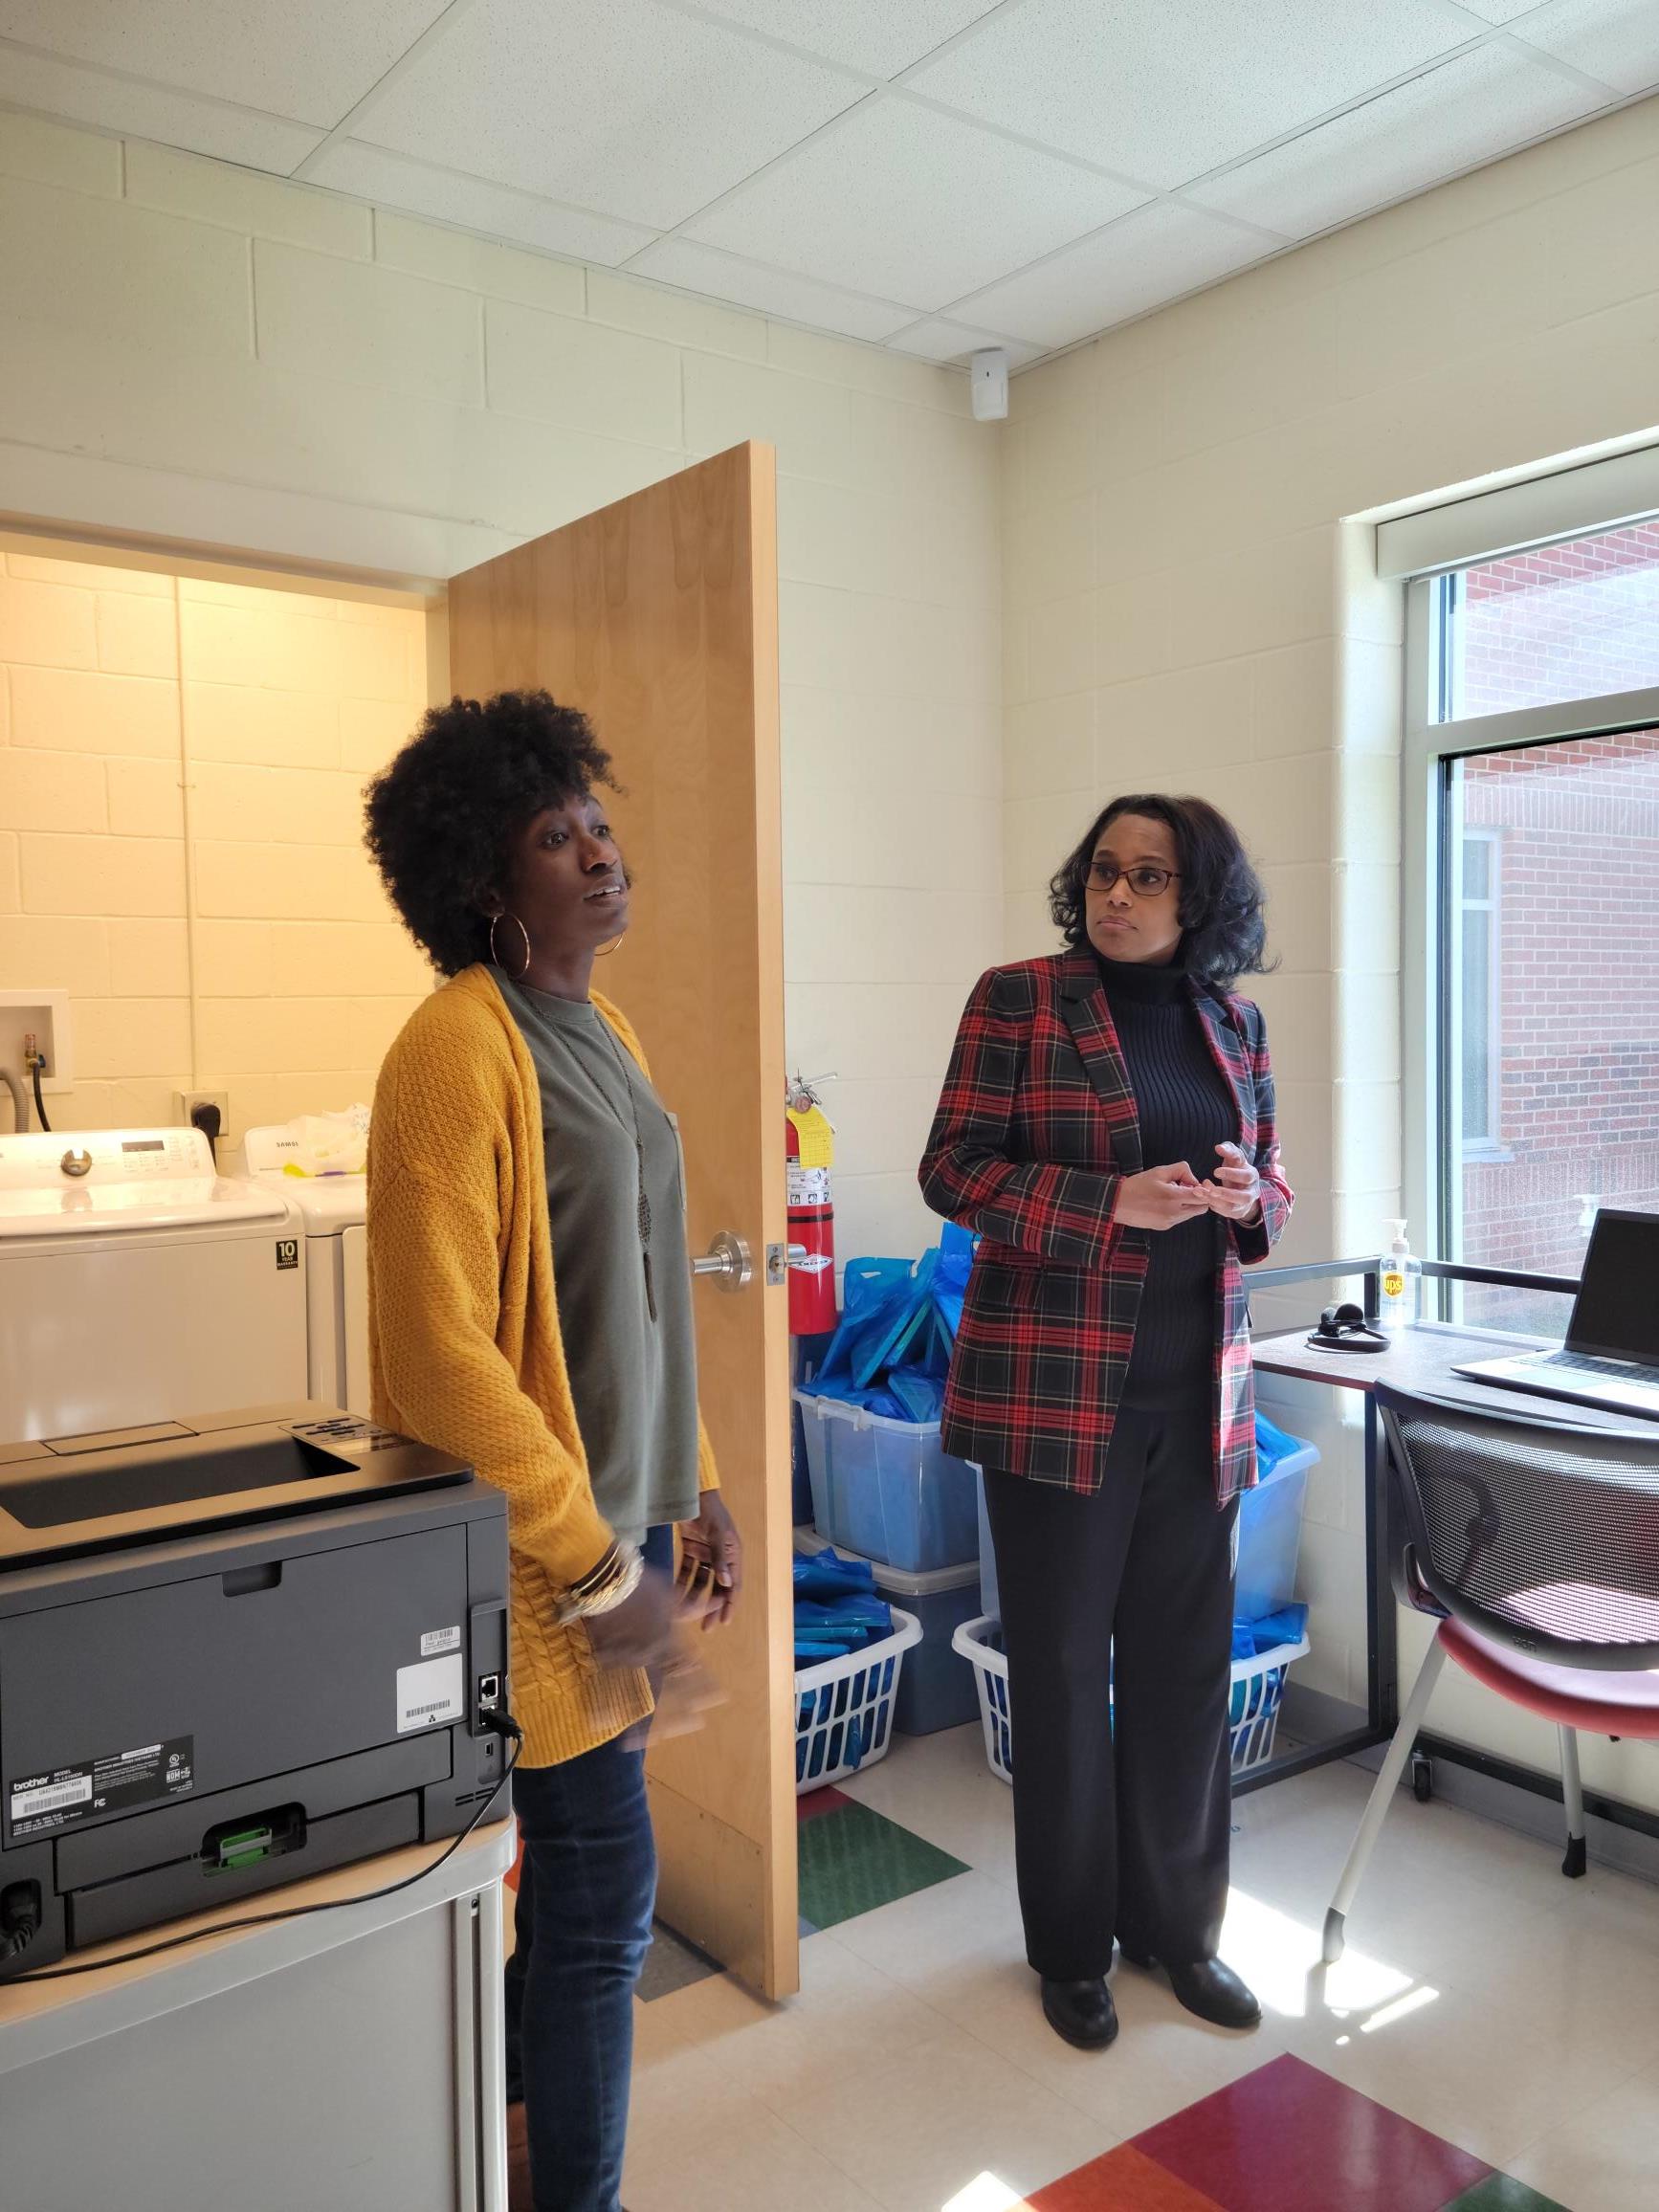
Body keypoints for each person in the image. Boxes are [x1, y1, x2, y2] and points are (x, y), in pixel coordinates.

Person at [364, 690, 741, 2212]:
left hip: (618, 1527)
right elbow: (442, 1360)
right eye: (551, 835)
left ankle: (509, 2149)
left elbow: (643, 1283)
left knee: (575, 1887)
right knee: (600, 1899)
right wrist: (596, 1571)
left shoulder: (607, 1030)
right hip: (537, 1557)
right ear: (480, 878)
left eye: (594, 821)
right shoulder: (454, 1049)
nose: (597, 853)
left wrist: (695, 1481)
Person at [919, 793, 1292, 2053]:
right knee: (1067, 1678)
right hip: (1055, 1399)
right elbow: (952, 1168)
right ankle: (1073, 1950)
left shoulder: (1233, 1021)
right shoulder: (1018, 1000)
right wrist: (1103, 1205)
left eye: (1149, 876)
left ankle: (1179, 1931)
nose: (1117, 894)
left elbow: (1271, 1181)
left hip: (1200, 1399)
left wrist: (1247, 1196)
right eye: (1102, 872)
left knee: (1186, 1674)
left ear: (1200, 900)